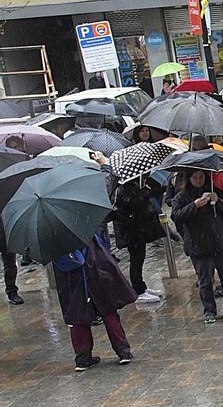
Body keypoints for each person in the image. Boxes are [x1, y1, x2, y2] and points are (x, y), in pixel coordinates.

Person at [53, 226, 136, 367]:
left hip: (69, 280)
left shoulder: (49, 232)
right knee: (108, 310)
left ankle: (82, 358)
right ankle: (123, 351)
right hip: (94, 270)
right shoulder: (81, 220)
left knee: (77, 316)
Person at [108, 126, 169, 303]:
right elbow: (130, 202)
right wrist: (143, 192)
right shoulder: (124, 185)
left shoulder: (135, 181)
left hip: (137, 226)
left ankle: (140, 285)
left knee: (140, 256)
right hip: (130, 227)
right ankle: (138, 290)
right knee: (136, 257)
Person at [171, 166, 223, 322]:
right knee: (205, 281)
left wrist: (218, 201)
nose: (199, 181)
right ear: (189, 179)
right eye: (195, 178)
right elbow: (177, 216)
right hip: (198, 245)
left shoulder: (214, 191)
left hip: (219, 242)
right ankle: (209, 311)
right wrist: (195, 205)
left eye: (201, 177)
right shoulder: (181, 197)